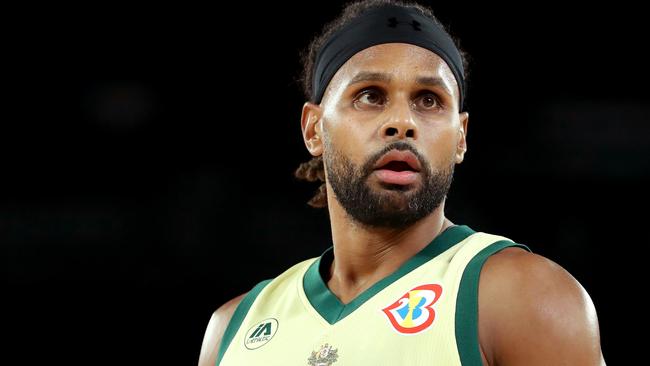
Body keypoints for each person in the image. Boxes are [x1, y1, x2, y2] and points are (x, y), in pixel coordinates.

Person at [198, 1, 606, 365]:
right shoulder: (234, 328)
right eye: (370, 96)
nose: (402, 123)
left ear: (461, 137)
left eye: (429, 100)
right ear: (314, 129)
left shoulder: (525, 297)